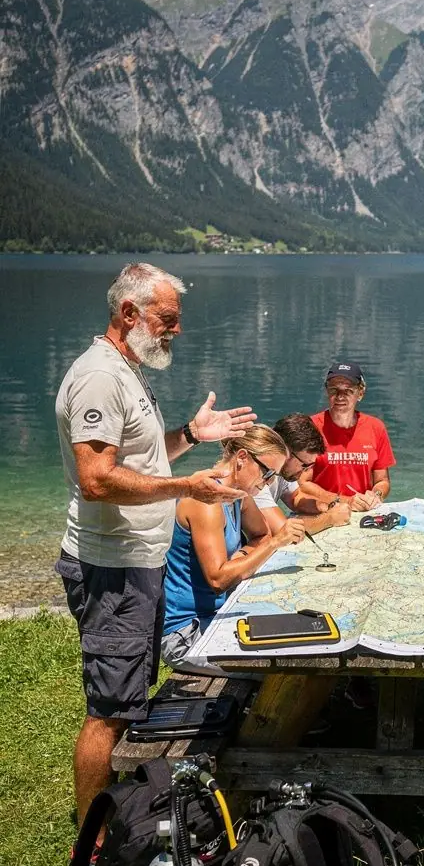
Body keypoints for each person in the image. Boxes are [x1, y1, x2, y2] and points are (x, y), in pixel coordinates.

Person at [55, 263, 256, 824]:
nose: (176, 330)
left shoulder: (128, 371)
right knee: (109, 712)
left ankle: (120, 814)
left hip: (135, 565)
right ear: (129, 313)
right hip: (110, 567)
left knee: (130, 698)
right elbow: (97, 476)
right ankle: (94, 840)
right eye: (167, 319)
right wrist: (185, 488)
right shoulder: (99, 376)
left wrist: (191, 437)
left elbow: (140, 460)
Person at [162, 426, 307, 672]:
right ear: (242, 458)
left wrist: (240, 559)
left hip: (220, 615)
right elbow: (218, 578)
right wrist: (273, 545)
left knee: (302, 636)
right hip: (187, 632)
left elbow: (261, 534)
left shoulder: (238, 494)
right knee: (286, 667)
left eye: (274, 477)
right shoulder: (207, 502)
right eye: (268, 473)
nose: (268, 483)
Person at [306, 362, 396, 513]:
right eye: (334, 389)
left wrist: (375, 495)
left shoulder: (376, 427)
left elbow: (382, 480)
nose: (340, 396)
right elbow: (302, 483)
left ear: (360, 393)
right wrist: (342, 500)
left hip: (362, 511)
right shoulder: (311, 427)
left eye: (348, 390)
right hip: (321, 511)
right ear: (327, 391)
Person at [252, 413, 351, 535]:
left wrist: (325, 506)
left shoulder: (282, 470)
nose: (306, 471)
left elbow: (296, 498)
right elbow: (282, 531)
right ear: (287, 452)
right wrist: (329, 519)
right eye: (305, 465)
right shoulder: (258, 473)